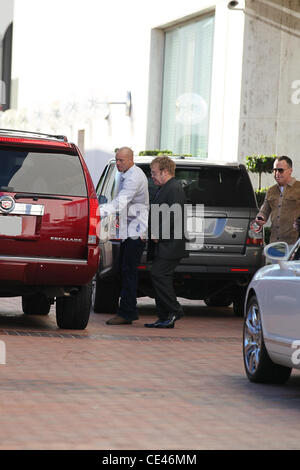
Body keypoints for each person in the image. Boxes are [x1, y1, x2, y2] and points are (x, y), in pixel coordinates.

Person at [100, 147, 149, 325]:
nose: (118, 163)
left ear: (130, 159)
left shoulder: (133, 177)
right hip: (130, 231)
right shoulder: (127, 173)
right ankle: (129, 310)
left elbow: (120, 202)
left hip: (136, 232)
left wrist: (97, 211)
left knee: (128, 272)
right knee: (124, 271)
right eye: (117, 159)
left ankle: (127, 313)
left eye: (121, 160)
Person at [144, 156, 186, 329]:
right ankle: (164, 317)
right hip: (163, 244)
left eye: (154, 173)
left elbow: (174, 214)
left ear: (165, 171)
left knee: (159, 274)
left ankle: (174, 310)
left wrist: (157, 233)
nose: (152, 176)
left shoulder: (174, 188)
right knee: (160, 276)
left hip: (171, 243)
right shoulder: (165, 188)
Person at [255, 156, 300, 246]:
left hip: (294, 245)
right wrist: (260, 217)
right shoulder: (271, 190)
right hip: (274, 243)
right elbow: (264, 210)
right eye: (275, 170)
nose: (277, 173)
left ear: (290, 171)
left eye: (280, 170)